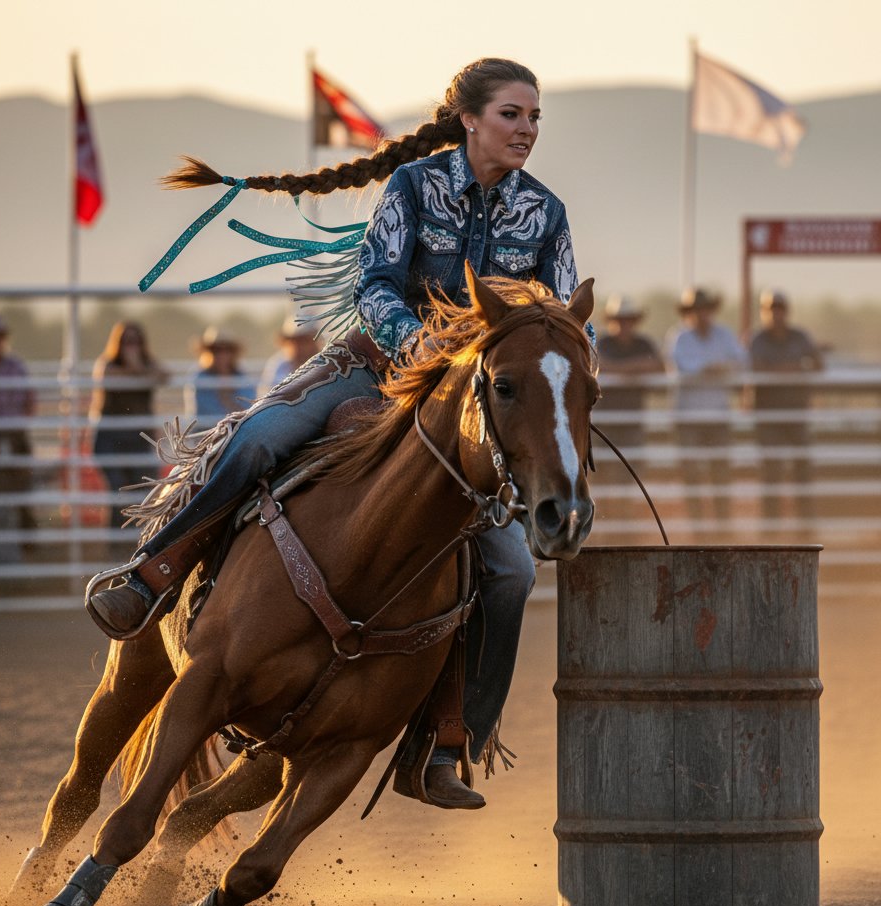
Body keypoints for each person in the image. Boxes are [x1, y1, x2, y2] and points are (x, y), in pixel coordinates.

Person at [88, 57, 584, 809]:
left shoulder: (545, 214)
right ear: (470, 120)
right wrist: (418, 343)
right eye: (513, 114)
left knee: (511, 572)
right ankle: (153, 576)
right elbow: (375, 282)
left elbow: (552, 318)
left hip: (472, 411)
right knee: (258, 437)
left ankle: (446, 741)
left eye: (535, 117)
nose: (527, 129)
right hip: (378, 368)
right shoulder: (414, 187)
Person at [668, 287, 747, 523]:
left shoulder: (722, 335)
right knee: (692, 474)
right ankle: (698, 523)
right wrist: (715, 368)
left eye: (704, 309)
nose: (701, 314)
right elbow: (683, 369)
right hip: (689, 417)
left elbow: (741, 361)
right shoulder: (680, 337)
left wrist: (709, 368)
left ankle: (722, 522)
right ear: (689, 313)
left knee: (720, 472)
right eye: (696, 310)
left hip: (717, 414)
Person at [749, 290, 823, 522]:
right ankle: (771, 525)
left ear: (786, 311)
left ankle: (805, 522)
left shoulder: (799, 337)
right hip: (769, 414)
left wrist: (782, 369)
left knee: (802, 468)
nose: (776, 314)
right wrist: (795, 368)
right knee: (771, 470)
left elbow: (818, 364)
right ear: (764, 312)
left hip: (796, 412)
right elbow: (757, 367)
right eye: (771, 309)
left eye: (779, 309)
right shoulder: (758, 339)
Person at [0, 310, 37, 547]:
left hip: (13, 434)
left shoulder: (15, 366)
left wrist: (17, 424)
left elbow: (30, 400)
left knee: (20, 485)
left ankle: (24, 535)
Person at [90, 321, 167, 495]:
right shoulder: (109, 364)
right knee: (118, 491)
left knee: (144, 492)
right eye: (127, 341)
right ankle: (117, 523)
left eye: (136, 341)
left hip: (138, 437)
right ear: (118, 343)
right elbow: (105, 375)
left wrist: (137, 368)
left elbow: (164, 375)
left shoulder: (149, 363)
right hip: (110, 437)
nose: (132, 346)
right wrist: (137, 370)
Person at [594, 294, 665, 453]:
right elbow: (597, 366)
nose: (623, 324)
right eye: (618, 319)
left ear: (634, 322)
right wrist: (636, 368)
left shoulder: (643, 343)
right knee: (602, 463)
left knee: (631, 461)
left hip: (633, 417)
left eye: (627, 320)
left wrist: (617, 369)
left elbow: (659, 367)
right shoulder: (602, 343)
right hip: (604, 418)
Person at [191, 327, 256, 422]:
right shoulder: (200, 377)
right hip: (206, 432)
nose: (222, 354)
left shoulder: (242, 377)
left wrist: (224, 396)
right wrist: (226, 396)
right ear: (209, 352)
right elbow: (207, 411)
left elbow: (248, 408)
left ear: (233, 353)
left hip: (237, 429)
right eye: (216, 350)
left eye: (228, 350)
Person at [258, 318, 322, 395]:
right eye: (293, 341)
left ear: (315, 342)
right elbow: (266, 395)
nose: (298, 347)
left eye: (303, 341)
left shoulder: (327, 363)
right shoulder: (279, 364)